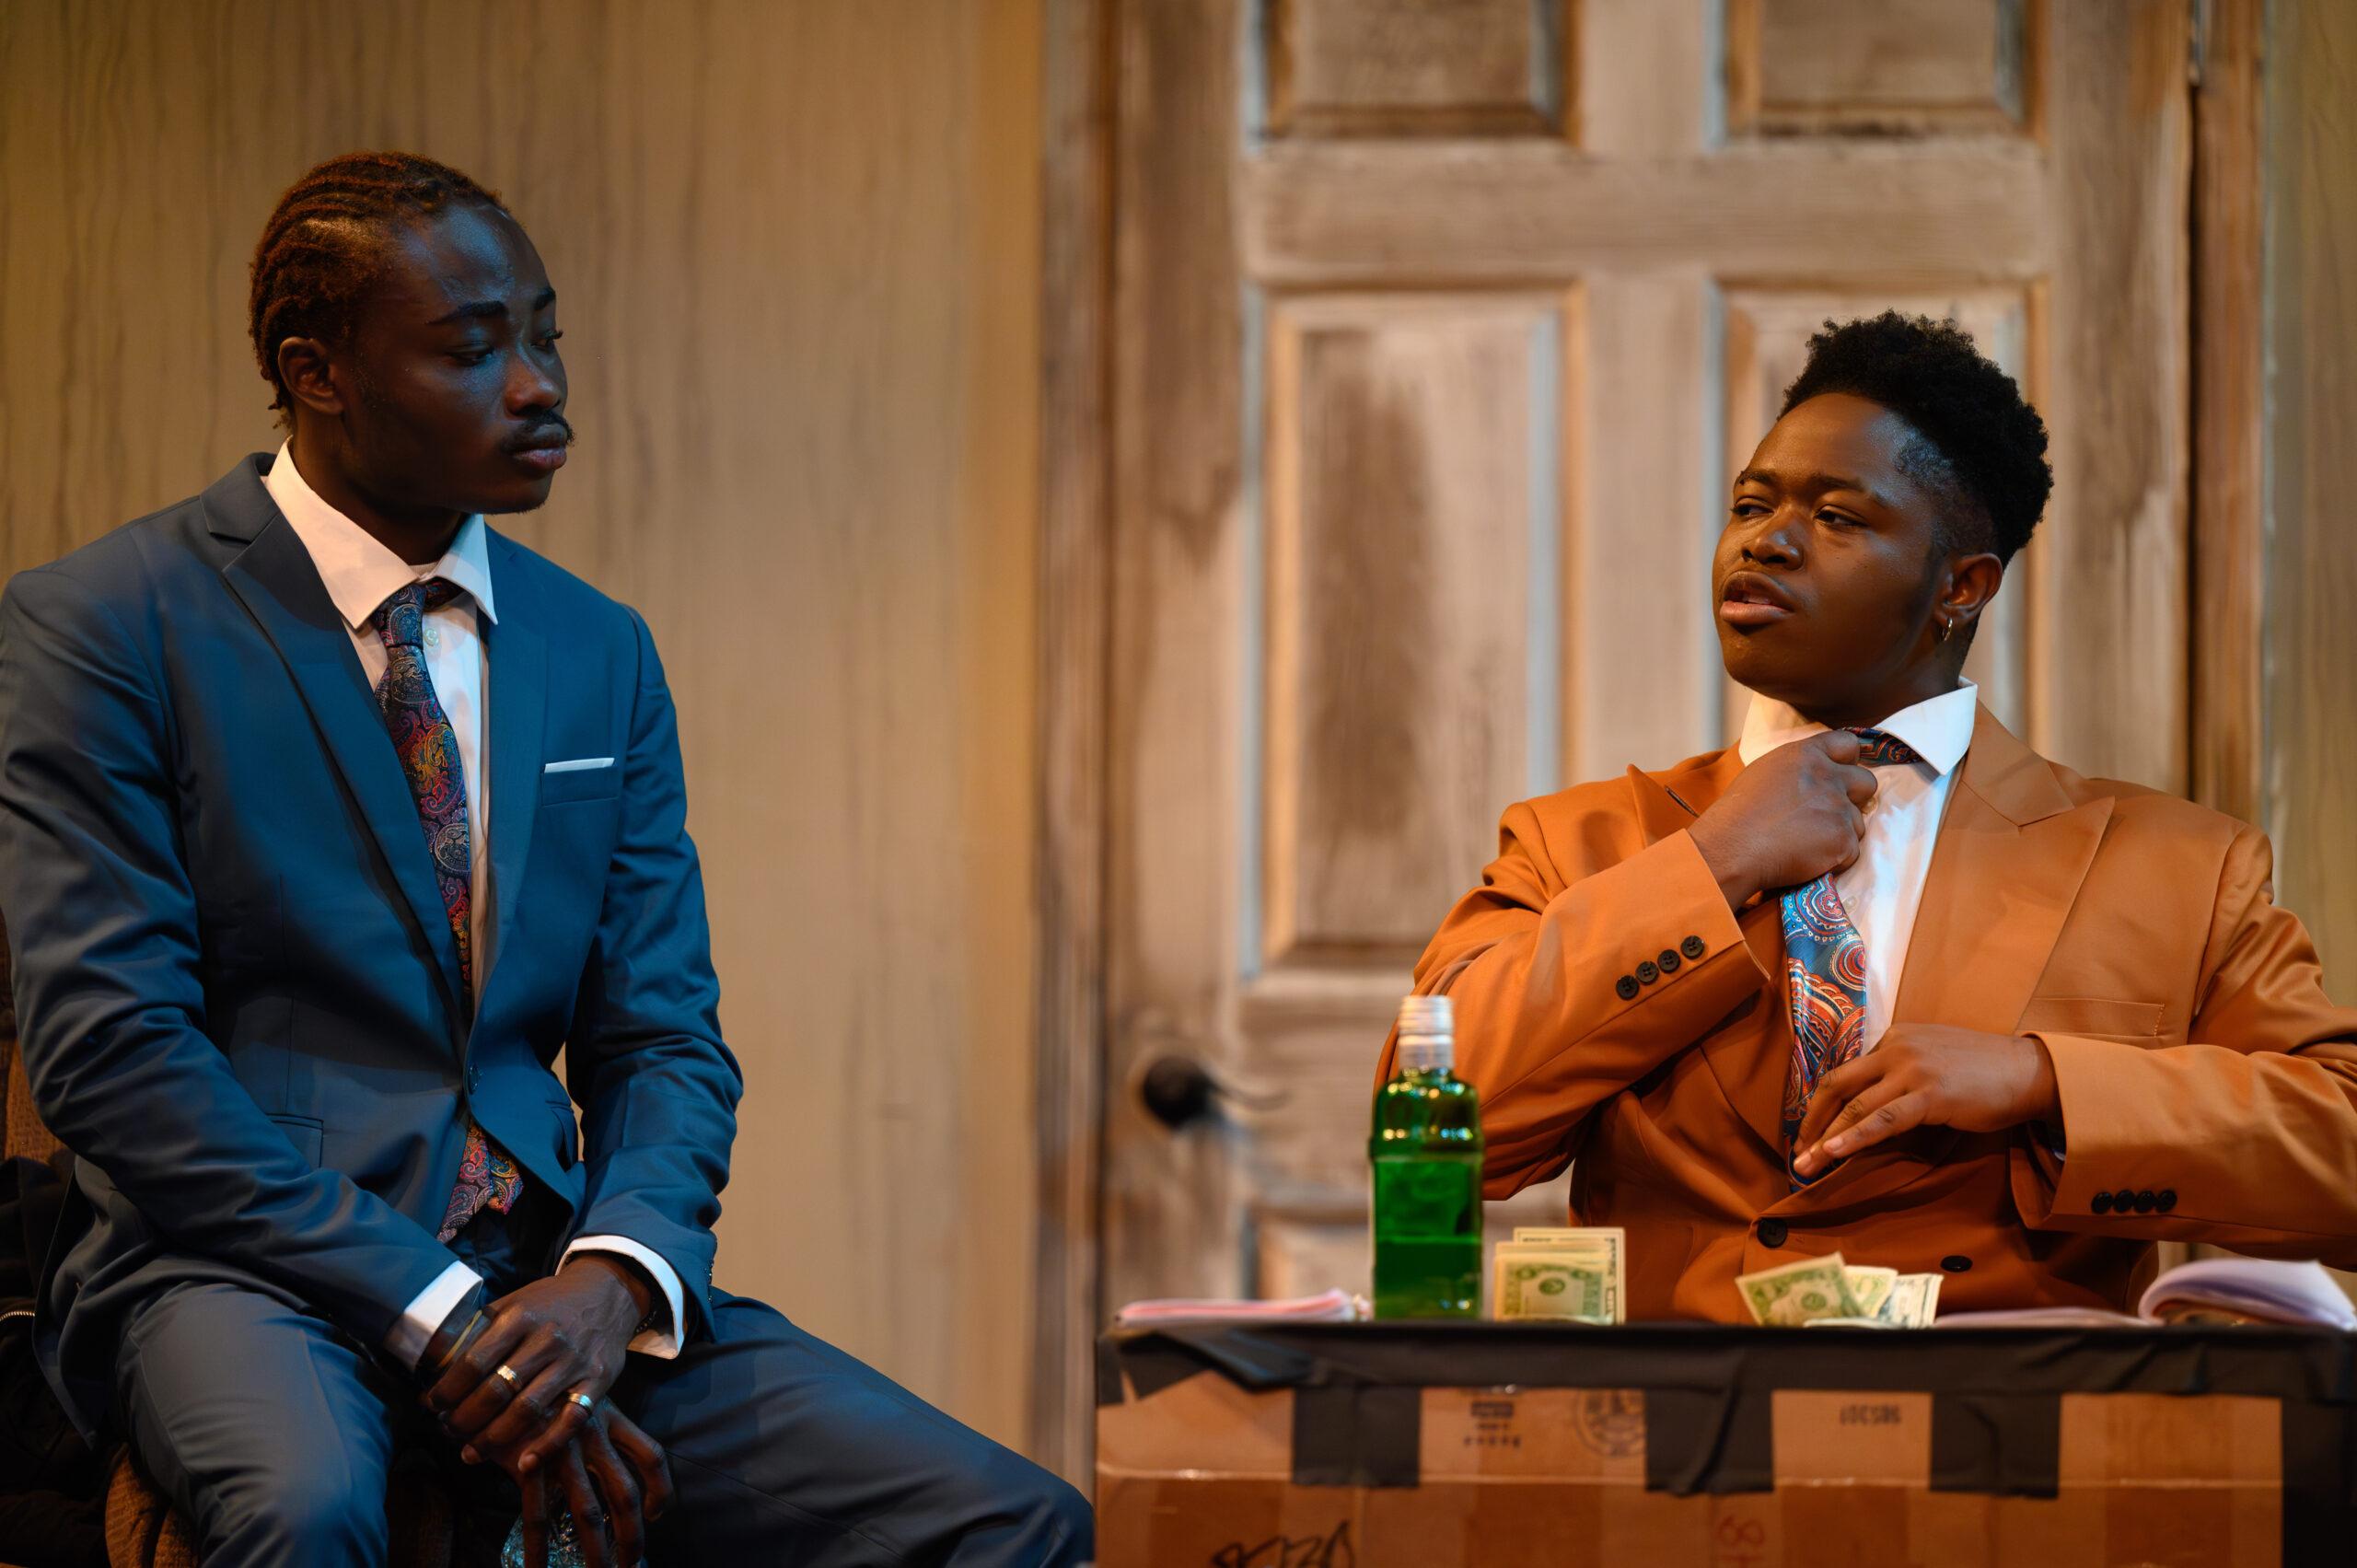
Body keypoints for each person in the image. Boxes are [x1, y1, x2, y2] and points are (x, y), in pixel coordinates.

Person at [0, 151, 1090, 1568]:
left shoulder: (597, 647)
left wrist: (614, 1276)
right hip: (239, 1271)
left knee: (1014, 1520)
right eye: (474, 349)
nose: (539, 385)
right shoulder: (103, 624)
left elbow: (664, 1036)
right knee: (308, 1510)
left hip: (544, 1279)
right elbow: (111, 1054)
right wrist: (433, 1305)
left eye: (545, 334)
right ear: (315, 373)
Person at [1380, 312, 2357, 1321]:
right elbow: (1435, 1130)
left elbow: (2342, 1153)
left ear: (1961, 585)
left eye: (1838, 517)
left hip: (1996, 1410)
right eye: (1750, 503)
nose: (1766, 539)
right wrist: (1710, 862)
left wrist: (2044, 1079)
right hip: (1669, 1412)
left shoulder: (2178, 866)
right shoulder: (1576, 842)